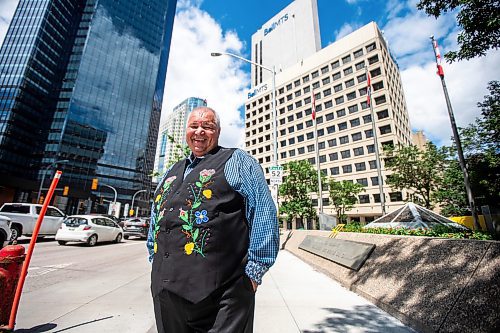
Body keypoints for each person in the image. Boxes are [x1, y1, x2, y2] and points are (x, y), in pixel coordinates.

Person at [147, 106, 279, 332]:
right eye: (194, 126)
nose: (200, 132)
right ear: (186, 131)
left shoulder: (237, 161)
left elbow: (264, 214)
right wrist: (154, 256)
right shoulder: (171, 171)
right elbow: (155, 219)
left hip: (223, 297)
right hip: (167, 296)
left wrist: (254, 274)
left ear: (217, 131)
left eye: (207, 127)